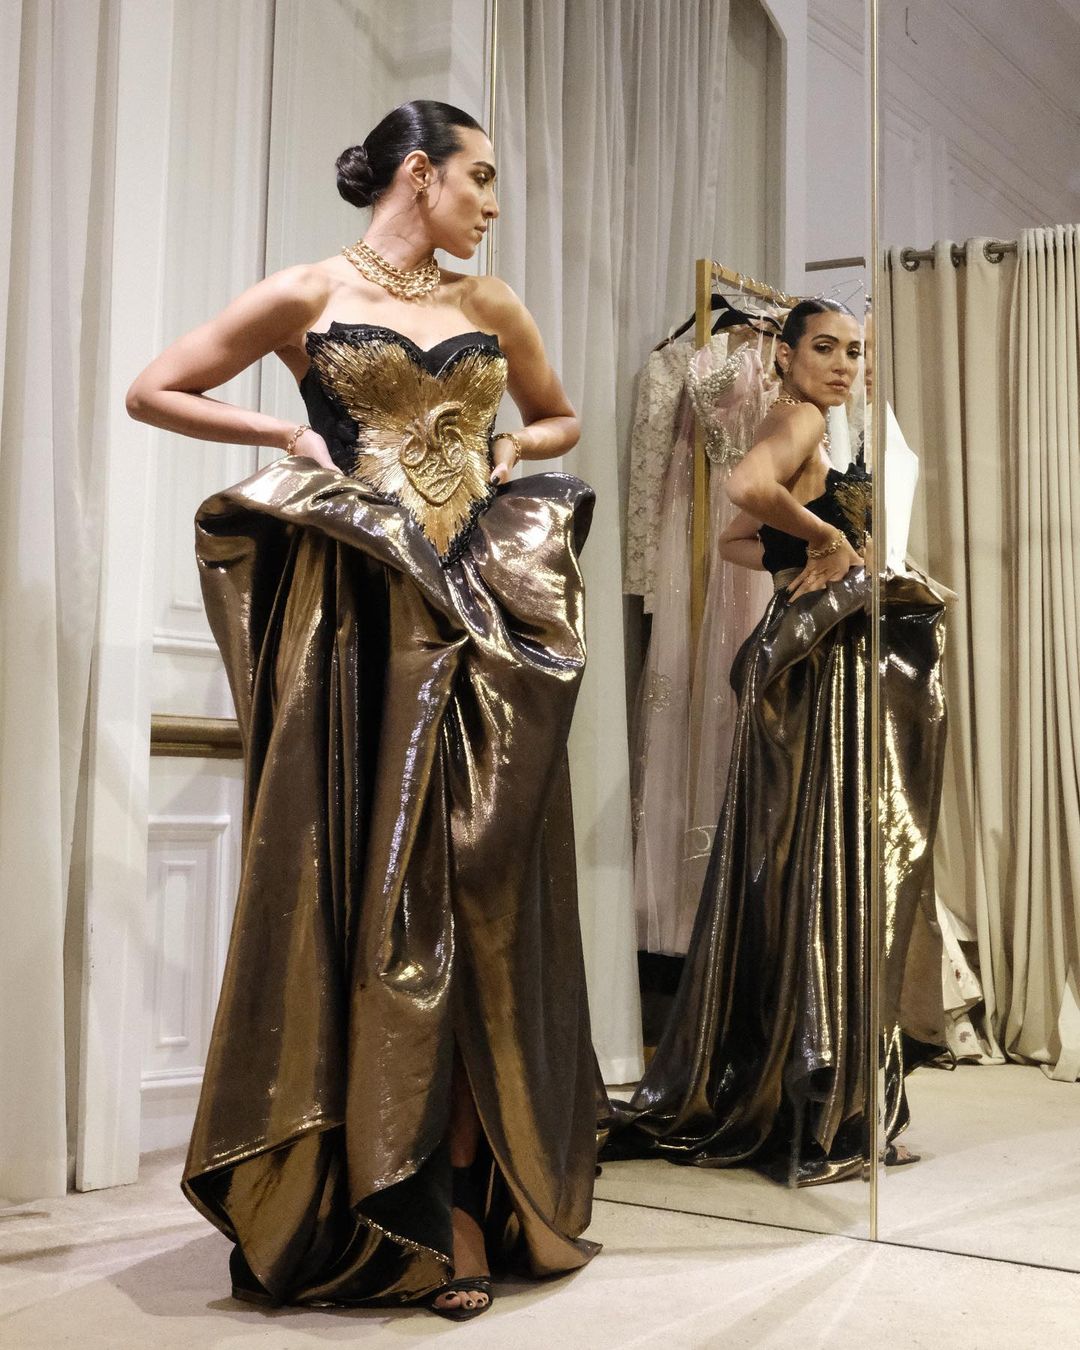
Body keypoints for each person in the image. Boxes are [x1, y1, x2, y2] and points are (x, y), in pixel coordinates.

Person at [127, 99, 601, 1319]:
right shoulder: (307, 293)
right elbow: (155, 389)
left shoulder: (491, 303)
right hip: (358, 619)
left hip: (477, 603)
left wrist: (510, 453)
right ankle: (379, 1191)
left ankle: (460, 1187)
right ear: (419, 173)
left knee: (475, 882)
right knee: (364, 875)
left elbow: (558, 414)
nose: (492, 203)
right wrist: (284, 429)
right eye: (480, 177)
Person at [605, 298, 947, 1184]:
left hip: (810, 653)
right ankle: (818, 1103)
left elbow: (735, 543)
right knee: (825, 862)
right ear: (785, 357)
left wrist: (805, 560)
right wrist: (830, 538)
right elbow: (742, 492)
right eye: (824, 348)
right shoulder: (798, 421)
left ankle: (808, 1091)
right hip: (817, 665)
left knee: (802, 864)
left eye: (855, 352)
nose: (843, 365)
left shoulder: (813, 425)